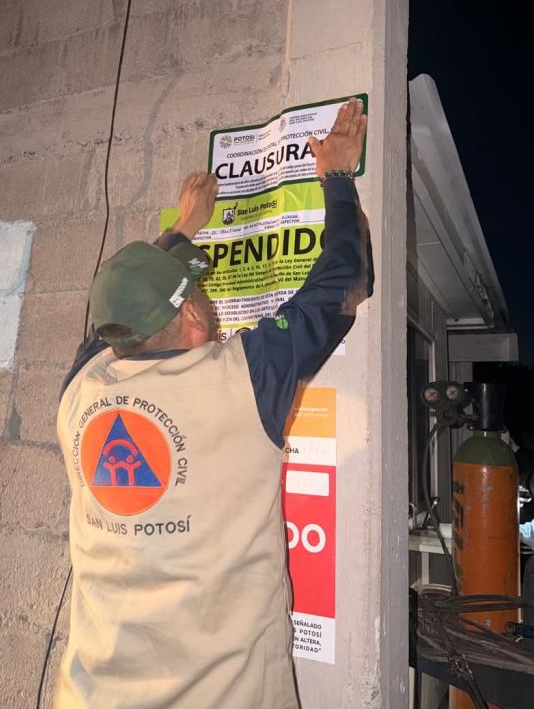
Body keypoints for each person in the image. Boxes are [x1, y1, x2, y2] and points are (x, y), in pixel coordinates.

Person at [54, 97, 373, 709]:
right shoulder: (243, 379)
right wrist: (336, 174)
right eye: (200, 293)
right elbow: (342, 281)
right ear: (196, 318)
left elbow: (113, 321)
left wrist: (183, 227)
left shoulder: (80, 388)